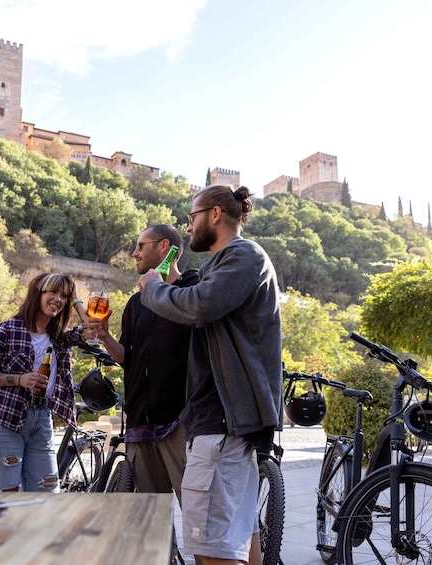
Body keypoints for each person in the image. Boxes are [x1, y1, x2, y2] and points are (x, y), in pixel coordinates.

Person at [139, 185, 283, 565]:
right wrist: (170, 282)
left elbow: (200, 306)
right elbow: (199, 301)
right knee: (239, 540)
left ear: (215, 214)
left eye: (192, 217)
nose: (188, 228)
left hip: (221, 423)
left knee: (212, 551)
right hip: (222, 424)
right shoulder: (220, 265)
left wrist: (151, 289)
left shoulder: (243, 254)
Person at [90, 224, 198, 499]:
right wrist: (105, 337)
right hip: (140, 423)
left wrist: (187, 412)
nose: (134, 253)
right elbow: (128, 357)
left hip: (180, 424)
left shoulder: (193, 293)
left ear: (164, 247)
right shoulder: (135, 304)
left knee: (199, 513)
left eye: (141, 246)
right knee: (150, 518)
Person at [0, 273, 89, 492]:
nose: (58, 299)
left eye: (63, 295)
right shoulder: (6, 330)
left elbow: (94, 329)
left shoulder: (59, 336)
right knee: (5, 497)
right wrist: (20, 379)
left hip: (42, 420)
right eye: (52, 292)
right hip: (7, 420)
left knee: (47, 494)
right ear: (38, 293)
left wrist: (76, 300)